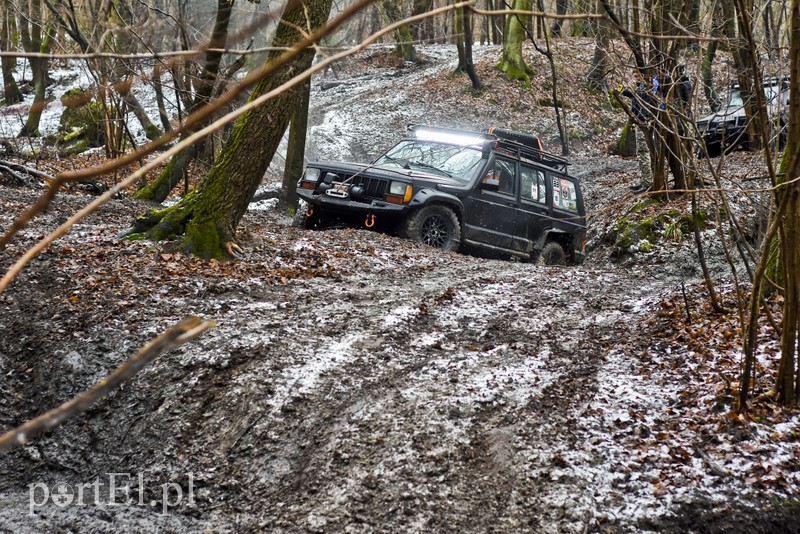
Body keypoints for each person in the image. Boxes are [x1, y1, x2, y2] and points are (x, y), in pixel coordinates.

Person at [621, 77, 656, 192]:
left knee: (643, 152)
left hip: (644, 123)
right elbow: (635, 98)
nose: (635, 76)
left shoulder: (647, 89)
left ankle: (648, 183)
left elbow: (638, 97)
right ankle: (645, 180)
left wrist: (626, 91)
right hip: (640, 122)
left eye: (637, 74)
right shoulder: (641, 88)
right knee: (641, 153)